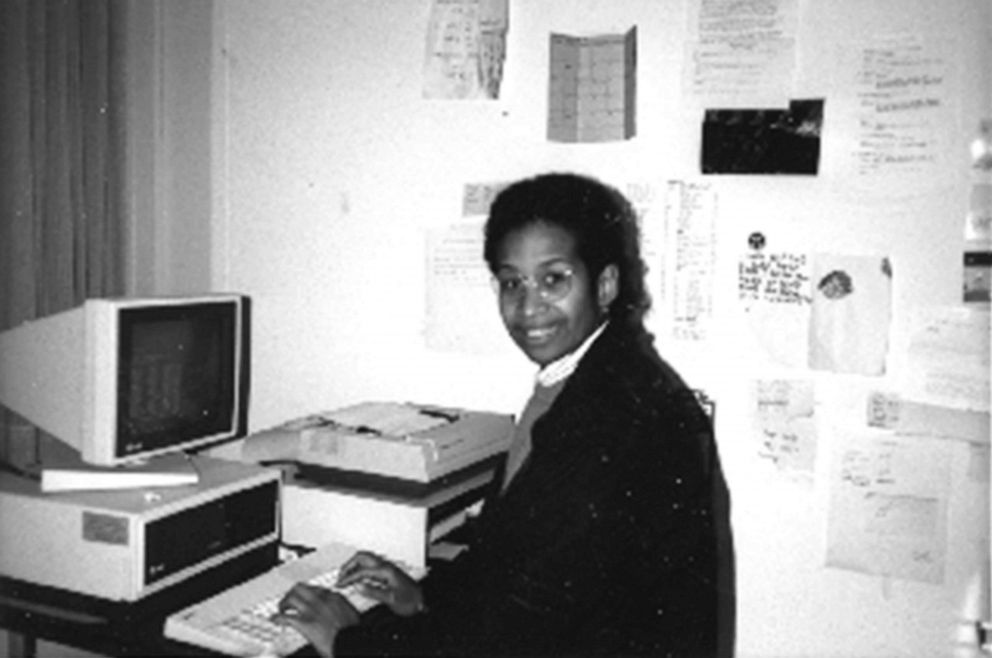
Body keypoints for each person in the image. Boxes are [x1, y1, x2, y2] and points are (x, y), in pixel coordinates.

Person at [275, 172, 736, 657]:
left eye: (553, 278)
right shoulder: (588, 378)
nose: (529, 305)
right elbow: (516, 563)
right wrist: (424, 595)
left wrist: (353, 641)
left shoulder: (618, 416)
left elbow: (516, 629)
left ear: (605, 285)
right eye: (511, 281)